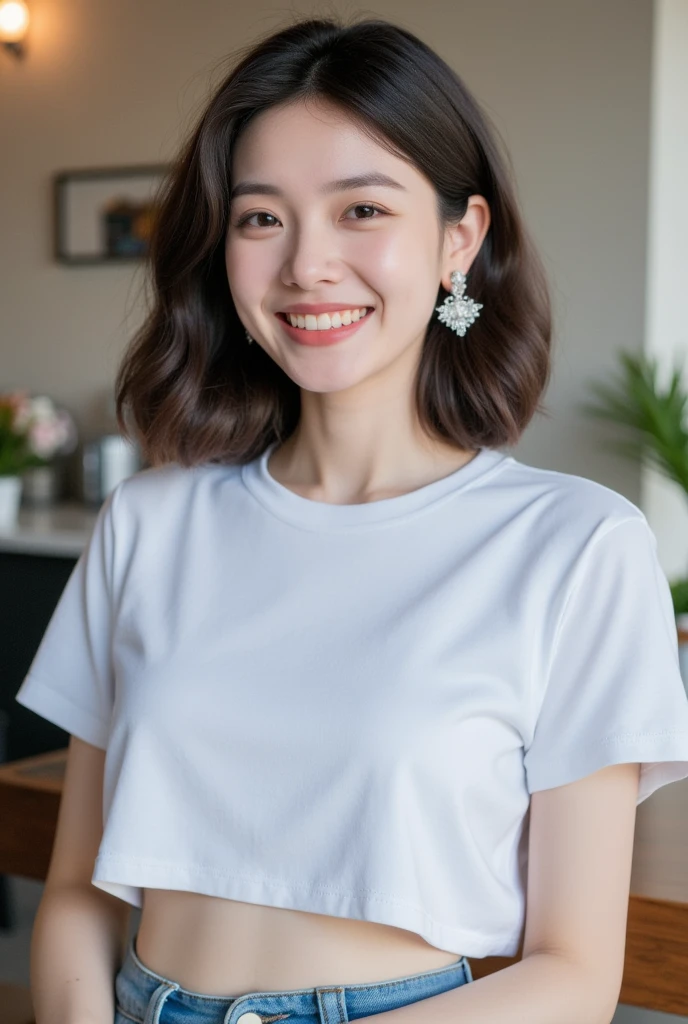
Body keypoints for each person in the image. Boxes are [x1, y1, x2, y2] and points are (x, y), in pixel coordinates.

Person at [15, 14, 688, 1024]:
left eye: (361, 209)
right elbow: (75, 888)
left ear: (459, 239)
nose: (306, 266)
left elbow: (573, 972)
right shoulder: (148, 521)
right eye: (261, 218)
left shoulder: (577, 546)